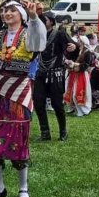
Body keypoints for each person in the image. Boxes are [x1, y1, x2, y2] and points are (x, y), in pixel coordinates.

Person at [0, 0, 45, 197]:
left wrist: (34, 17)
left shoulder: (29, 34)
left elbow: (38, 41)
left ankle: (23, 187)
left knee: (18, 140)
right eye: (4, 10)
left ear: (21, 14)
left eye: (11, 10)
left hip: (19, 92)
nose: (6, 13)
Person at [32, 13, 69, 141]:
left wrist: (72, 48)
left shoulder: (59, 34)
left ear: (52, 22)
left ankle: (63, 131)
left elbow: (71, 47)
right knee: (38, 102)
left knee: (57, 104)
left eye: (45, 20)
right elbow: (33, 52)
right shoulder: (38, 36)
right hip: (41, 72)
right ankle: (45, 132)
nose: (42, 21)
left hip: (55, 73)